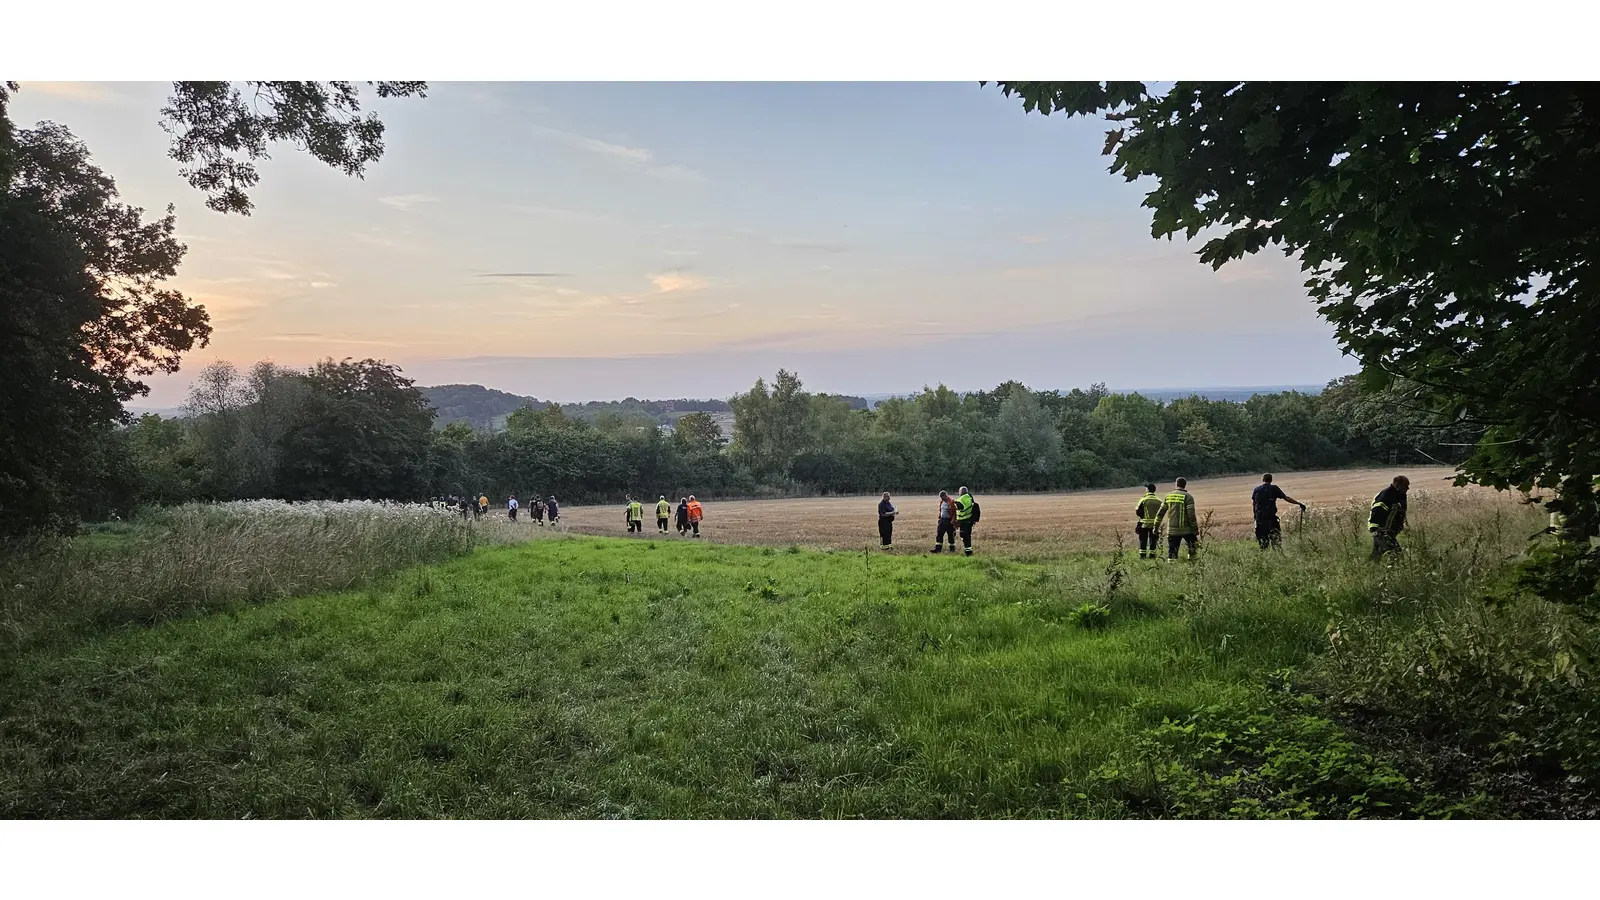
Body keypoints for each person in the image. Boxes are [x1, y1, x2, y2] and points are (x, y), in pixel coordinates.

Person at [1251, 474, 1305, 550]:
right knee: (1276, 540)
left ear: (1263, 480)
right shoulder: (1274, 488)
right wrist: (1299, 503)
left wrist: (1255, 517)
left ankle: (1264, 557)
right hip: (1271, 518)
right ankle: (1278, 555)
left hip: (1260, 519)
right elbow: (1286, 498)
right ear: (1271, 480)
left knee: (1263, 542)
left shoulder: (1256, 489)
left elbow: (1254, 503)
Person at [1156, 477, 1199, 560]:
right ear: (1185, 485)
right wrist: (1195, 530)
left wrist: (1156, 527)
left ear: (1176, 484)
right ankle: (1193, 564)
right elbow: (1191, 516)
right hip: (1187, 530)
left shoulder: (1168, 496)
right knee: (1193, 548)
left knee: (1172, 552)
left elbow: (1160, 514)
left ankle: (1172, 568)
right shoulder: (1188, 497)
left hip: (1172, 530)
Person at [1369, 475, 1410, 561]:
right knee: (1397, 555)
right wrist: (1375, 531)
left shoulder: (1401, 495)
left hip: (1390, 532)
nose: (1408, 488)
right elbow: (1376, 512)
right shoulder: (1385, 496)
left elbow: (1401, 512)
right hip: (1382, 532)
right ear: (1397, 485)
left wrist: (1405, 525)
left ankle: (1367, 570)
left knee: (1376, 557)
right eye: (1405, 486)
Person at [1134, 483, 1163, 560]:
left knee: (1143, 540)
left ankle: (1142, 557)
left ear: (1147, 490)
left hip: (1144, 523)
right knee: (1153, 540)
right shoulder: (1159, 500)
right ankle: (1152, 556)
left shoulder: (1143, 499)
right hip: (1155, 524)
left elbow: (1137, 511)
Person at [954, 486, 978, 556]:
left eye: (959, 491)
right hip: (969, 520)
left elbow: (957, 506)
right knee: (967, 536)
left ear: (961, 492)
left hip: (964, 521)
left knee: (964, 536)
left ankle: (968, 553)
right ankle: (968, 551)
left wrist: (952, 502)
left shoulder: (962, 499)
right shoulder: (970, 498)